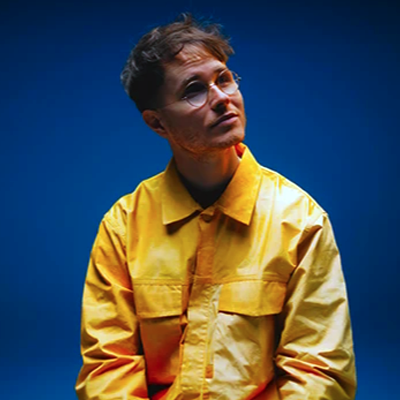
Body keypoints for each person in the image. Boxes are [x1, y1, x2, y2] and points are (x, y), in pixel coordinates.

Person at [75, 13, 357, 400]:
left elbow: (320, 371)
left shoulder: (300, 220)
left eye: (223, 79)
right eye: (194, 90)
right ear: (157, 123)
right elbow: (108, 367)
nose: (222, 98)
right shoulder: (123, 226)